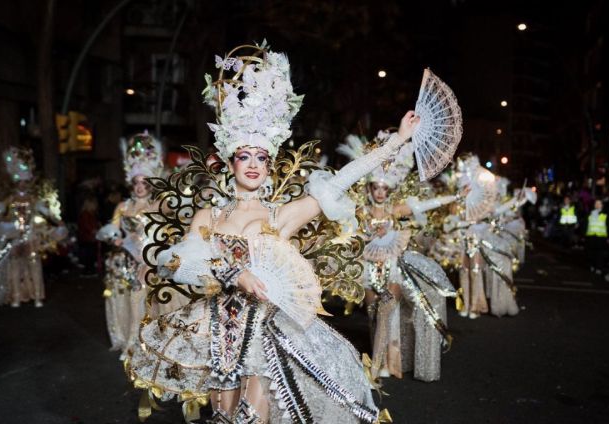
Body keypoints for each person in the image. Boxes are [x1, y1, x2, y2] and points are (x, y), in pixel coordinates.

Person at [126, 43, 405, 423]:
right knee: (221, 415)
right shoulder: (209, 216)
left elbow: (341, 181)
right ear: (230, 162)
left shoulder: (283, 216)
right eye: (245, 155)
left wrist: (397, 141)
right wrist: (232, 272)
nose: (254, 164)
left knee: (252, 418)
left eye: (262, 157)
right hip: (218, 329)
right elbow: (176, 261)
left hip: (266, 331)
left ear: (271, 165)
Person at [337, 131, 459, 382]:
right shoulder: (360, 211)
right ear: (370, 187)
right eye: (376, 187)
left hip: (392, 269)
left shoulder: (395, 210)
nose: (380, 192)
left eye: (384, 188)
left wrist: (455, 196)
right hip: (368, 272)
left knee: (385, 313)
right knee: (374, 318)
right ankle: (388, 361)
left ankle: (376, 369)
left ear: (390, 189)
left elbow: (427, 205)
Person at [97, 131, 168, 359]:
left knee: (145, 303)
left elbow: (169, 232)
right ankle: (128, 341)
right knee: (125, 301)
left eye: (144, 182)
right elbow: (112, 230)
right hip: (123, 262)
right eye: (136, 182)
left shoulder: (160, 206)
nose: (140, 187)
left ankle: (146, 343)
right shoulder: (122, 206)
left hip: (148, 262)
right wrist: (115, 238)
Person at [0, 148, 66, 307]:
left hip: (31, 234)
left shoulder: (33, 199)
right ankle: (16, 297)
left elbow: (46, 212)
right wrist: (0, 216)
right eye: (20, 182)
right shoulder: (10, 198)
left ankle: (37, 296)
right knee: (15, 265)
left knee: (34, 265)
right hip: (15, 234)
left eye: (25, 182)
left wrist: (57, 222)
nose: (23, 185)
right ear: (15, 182)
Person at [585, 199, 609, 275]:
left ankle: (598, 267)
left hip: (601, 237)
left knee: (599, 254)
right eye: (596, 203)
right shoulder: (590, 214)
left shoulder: (605, 215)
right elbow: (586, 224)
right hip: (591, 236)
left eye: (599, 204)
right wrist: (584, 234)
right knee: (591, 253)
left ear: (602, 205)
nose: (597, 205)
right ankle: (592, 265)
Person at [77, 196, 100, 276]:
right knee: (89, 255)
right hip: (87, 238)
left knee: (91, 255)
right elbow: (87, 226)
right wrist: (94, 231)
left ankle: (90, 270)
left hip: (90, 237)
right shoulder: (85, 214)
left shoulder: (90, 214)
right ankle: (88, 271)